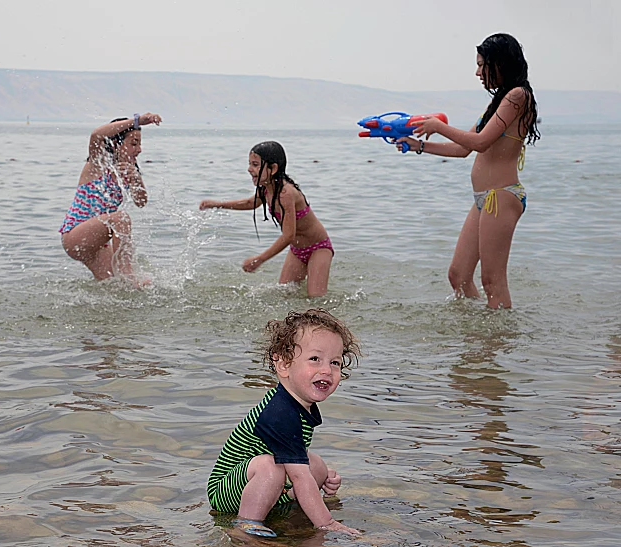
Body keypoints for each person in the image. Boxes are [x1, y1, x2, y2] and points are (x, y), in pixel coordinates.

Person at [397, 33, 540, 309]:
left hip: (502, 196)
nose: (477, 72)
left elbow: (481, 142)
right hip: (484, 199)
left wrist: (437, 126)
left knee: (492, 280)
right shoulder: (499, 101)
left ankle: (496, 344)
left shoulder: (518, 96)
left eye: (481, 64)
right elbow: (463, 149)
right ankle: (475, 337)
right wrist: (419, 146)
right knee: (459, 276)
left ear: (499, 64)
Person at [207, 308, 362, 538]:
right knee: (271, 468)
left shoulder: (298, 403)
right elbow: (297, 475)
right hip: (226, 491)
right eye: (314, 359)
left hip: (261, 479)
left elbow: (295, 459)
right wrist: (327, 523)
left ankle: (284, 508)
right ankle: (246, 525)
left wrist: (321, 477)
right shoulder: (280, 412)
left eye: (335, 362)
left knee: (316, 465)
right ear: (284, 365)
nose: (326, 370)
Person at [200, 142, 334, 297]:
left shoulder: (285, 194)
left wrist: (260, 259)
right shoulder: (266, 189)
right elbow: (250, 203)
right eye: (249, 164)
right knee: (285, 294)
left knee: (316, 298)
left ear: (273, 169)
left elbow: (288, 235)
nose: (249, 169)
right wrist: (218, 204)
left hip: (318, 248)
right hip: (297, 250)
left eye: (255, 165)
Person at [59, 113, 162, 286]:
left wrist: (136, 179)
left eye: (140, 144)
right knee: (121, 218)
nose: (139, 149)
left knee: (118, 286)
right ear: (115, 144)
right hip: (75, 236)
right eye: (133, 143)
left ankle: (125, 284)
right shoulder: (98, 164)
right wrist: (137, 121)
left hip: (97, 245)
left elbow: (141, 202)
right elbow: (96, 135)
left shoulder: (128, 171)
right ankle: (128, 272)